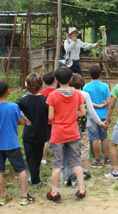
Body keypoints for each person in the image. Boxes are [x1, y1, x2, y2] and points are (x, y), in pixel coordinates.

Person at [0, 79, 34, 206]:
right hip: (12, 144)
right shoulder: (14, 107)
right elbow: (20, 122)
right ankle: (24, 196)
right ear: (8, 91)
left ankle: (2, 196)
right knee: (21, 169)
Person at [45, 66, 87, 202]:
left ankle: (54, 192)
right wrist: (71, 115)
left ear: (56, 79)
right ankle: (81, 189)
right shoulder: (77, 94)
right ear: (71, 79)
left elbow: (50, 116)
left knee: (57, 164)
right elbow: (83, 112)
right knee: (76, 162)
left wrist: (60, 116)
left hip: (58, 133)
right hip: (73, 132)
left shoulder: (53, 95)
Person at [16, 73, 48, 188]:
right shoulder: (45, 100)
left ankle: (34, 179)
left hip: (28, 134)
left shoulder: (24, 99)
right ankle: (35, 180)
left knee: (31, 158)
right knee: (38, 157)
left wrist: (23, 117)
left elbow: (14, 109)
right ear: (41, 85)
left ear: (27, 85)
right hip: (41, 134)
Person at [71, 73, 106, 180]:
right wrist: (100, 123)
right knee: (84, 148)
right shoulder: (85, 95)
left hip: (70, 125)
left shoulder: (67, 94)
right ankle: (85, 171)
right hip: (83, 126)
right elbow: (91, 111)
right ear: (82, 83)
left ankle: (72, 171)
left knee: (72, 148)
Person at [83, 64, 111, 168]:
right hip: (104, 115)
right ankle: (107, 158)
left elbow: (87, 102)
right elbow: (109, 102)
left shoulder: (86, 87)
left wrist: (96, 105)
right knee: (104, 137)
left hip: (92, 116)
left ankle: (97, 160)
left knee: (94, 138)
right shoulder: (105, 86)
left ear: (89, 74)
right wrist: (106, 112)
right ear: (100, 74)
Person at [40, 72, 57, 165]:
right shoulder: (57, 92)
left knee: (45, 140)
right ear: (55, 80)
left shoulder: (42, 93)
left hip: (44, 120)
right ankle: (56, 156)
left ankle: (44, 158)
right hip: (55, 119)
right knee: (55, 139)